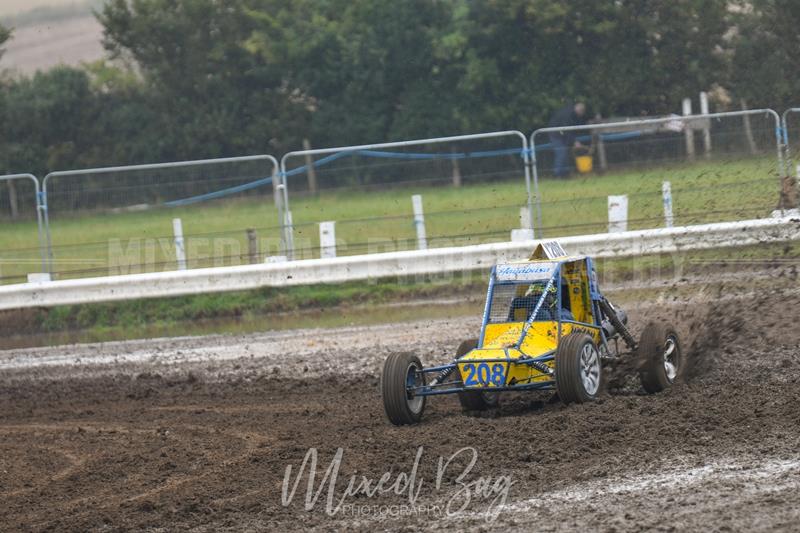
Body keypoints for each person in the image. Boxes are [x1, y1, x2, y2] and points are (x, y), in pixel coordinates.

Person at [547, 102, 587, 178]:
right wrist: (575, 141)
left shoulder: (571, 111)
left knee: (564, 152)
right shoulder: (568, 115)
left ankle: (565, 173)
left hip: (561, 134)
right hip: (555, 134)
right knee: (561, 153)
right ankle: (557, 174)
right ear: (580, 111)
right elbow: (567, 130)